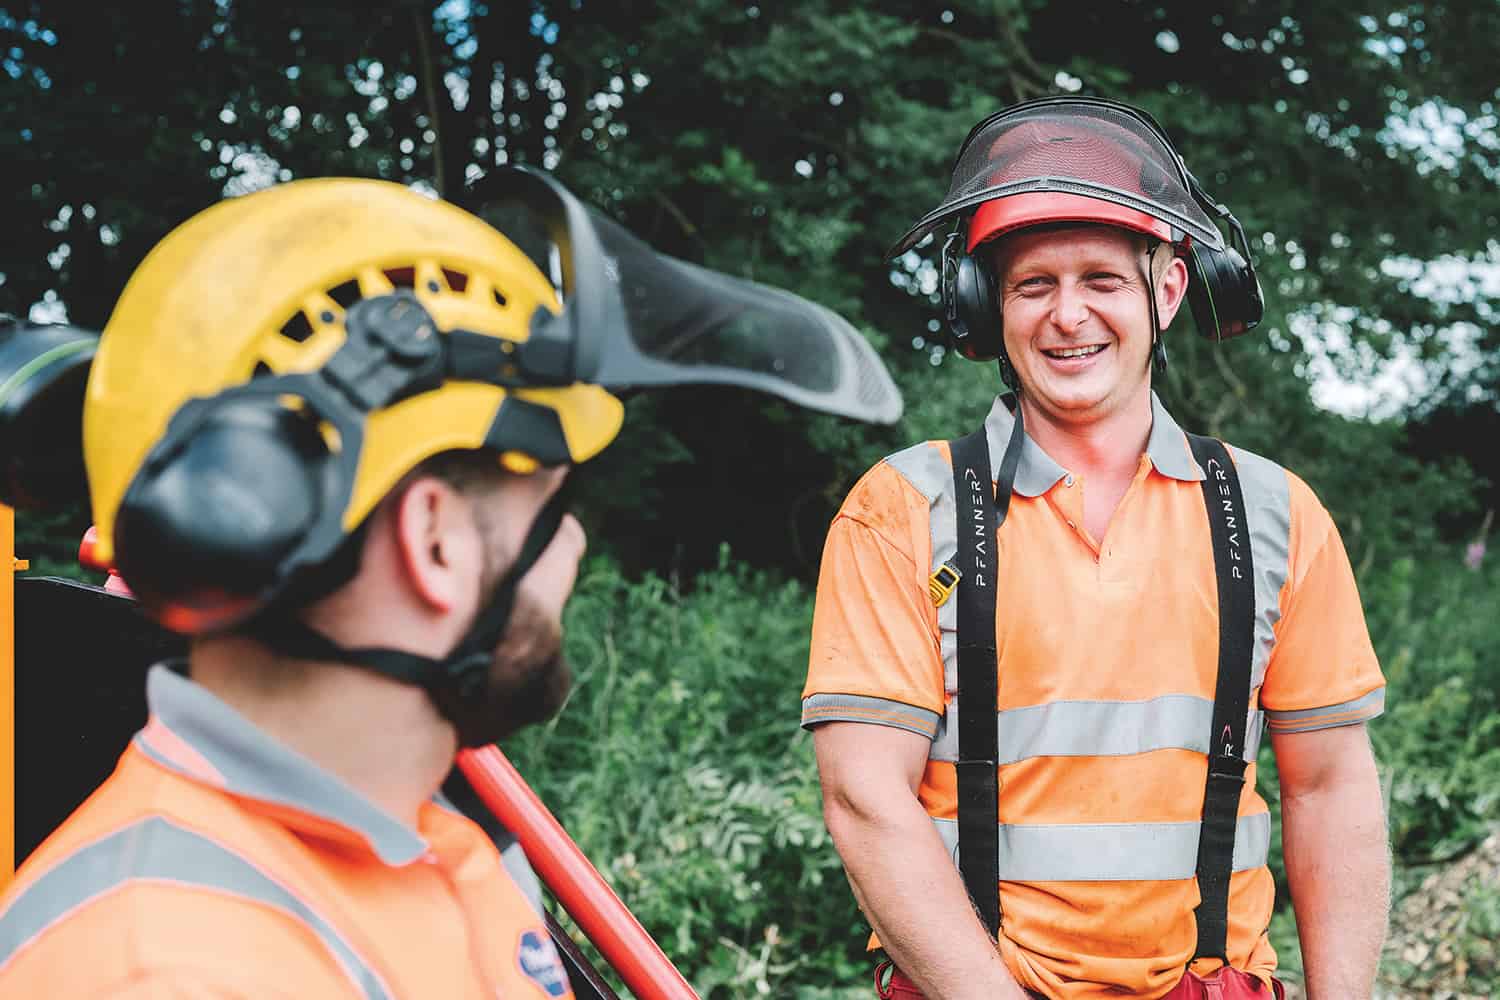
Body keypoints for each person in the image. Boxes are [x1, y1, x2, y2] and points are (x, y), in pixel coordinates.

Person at [0, 168, 900, 997]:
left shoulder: (431, 843)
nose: (571, 545)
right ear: (435, 542)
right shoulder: (163, 972)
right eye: (551, 503)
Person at [802, 97, 1389, 1000]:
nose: (1067, 315)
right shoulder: (903, 510)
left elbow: (1330, 787)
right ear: (982, 305)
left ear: (1168, 291)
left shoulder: (1273, 512)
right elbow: (864, 798)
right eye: (1034, 284)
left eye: (1102, 281)